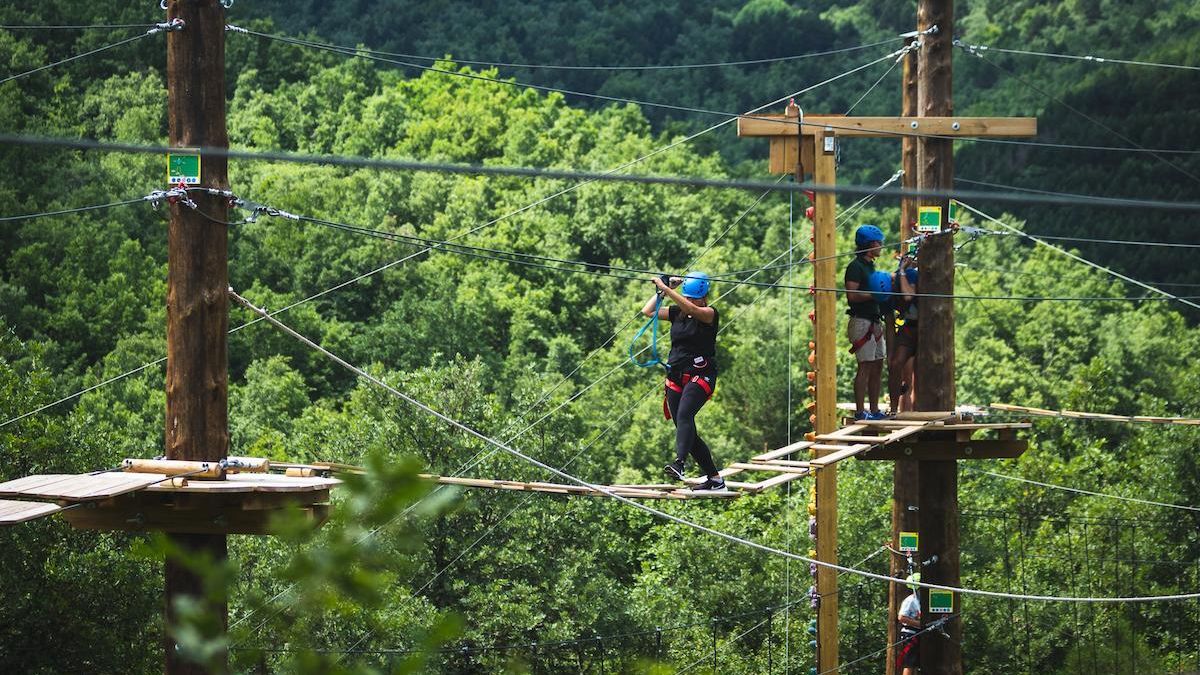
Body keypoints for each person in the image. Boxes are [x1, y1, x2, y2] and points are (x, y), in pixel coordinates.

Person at [641, 272, 726, 492]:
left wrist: (668, 290)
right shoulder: (678, 313)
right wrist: (663, 290)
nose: (689, 301)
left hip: (701, 374)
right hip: (676, 376)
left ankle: (679, 463)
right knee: (684, 428)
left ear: (703, 297)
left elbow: (693, 311)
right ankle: (715, 480)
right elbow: (647, 311)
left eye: (693, 298)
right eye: (687, 297)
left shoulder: (709, 314)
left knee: (685, 415)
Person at [844, 225, 888, 420]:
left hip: (874, 321)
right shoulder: (855, 267)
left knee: (878, 365)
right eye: (878, 243)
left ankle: (875, 410)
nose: (881, 246)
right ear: (870, 245)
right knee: (865, 366)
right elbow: (852, 296)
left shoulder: (870, 266)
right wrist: (874, 294)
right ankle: (861, 412)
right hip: (861, 322)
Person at [888, 259, 918, 414]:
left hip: (921, 327)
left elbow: (908, 296)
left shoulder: (912, 275)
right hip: (908, 327)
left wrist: (902, 271)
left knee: (914, 378)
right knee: (896, 366)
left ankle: (914, 412)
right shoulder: (900, 279)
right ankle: (895, 410)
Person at [897, 572, 922, 675]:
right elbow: (901, 617)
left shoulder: (923, 600)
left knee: (917, 663)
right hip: (910, 634)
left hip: (920, 634)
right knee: (910, 663)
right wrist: (918, 624)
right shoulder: (911, 600)